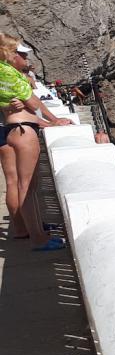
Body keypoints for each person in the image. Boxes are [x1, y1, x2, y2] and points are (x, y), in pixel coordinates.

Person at [0, 35, 71, 248]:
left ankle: (27, 230)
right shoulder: (9, 73)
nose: (25, 58)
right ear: (10, 56)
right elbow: (33, 102)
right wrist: (53, 119)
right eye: (21, 54)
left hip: (11, 129)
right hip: (24, 131)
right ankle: (38, 238)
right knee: (28, 187)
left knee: (18, 183)